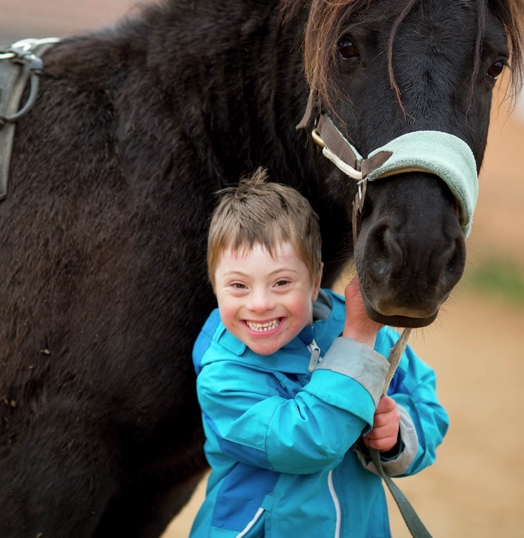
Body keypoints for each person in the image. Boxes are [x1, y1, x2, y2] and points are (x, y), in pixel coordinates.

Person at [190, 169, 448, 537]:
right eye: (238, 285)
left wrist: (398, 434)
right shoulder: (223, 375)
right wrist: (357, 340)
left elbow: (426, 402)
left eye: (281, 282)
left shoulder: (355, 325)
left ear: (314, 282)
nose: (260, 304)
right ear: (215, 286)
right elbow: (308, 442)